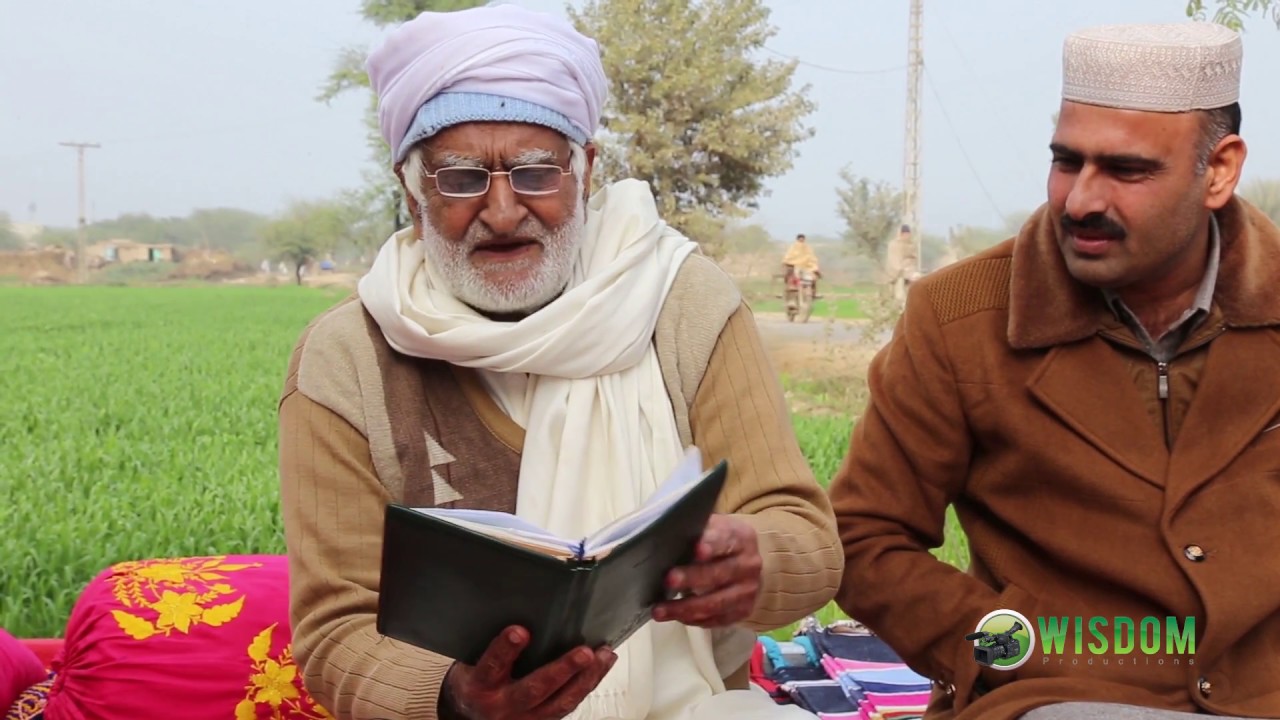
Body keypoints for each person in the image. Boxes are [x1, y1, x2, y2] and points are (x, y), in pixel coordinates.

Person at [277, 5, 843, 720]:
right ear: (412, 194)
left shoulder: (681, 303)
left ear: (586, 171)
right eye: (460, 179)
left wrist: (758, 559)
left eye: (538, 171)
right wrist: (457, 698)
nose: (505, 209)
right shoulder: (347, 360)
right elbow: (336, 631)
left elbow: (806, 538)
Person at [828, 21, 1280, 720]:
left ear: (1218, 170)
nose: (1080, 201)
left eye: (1127, 170)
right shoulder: (959, 318)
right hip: (1054, 699)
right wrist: (1013, 651)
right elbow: (862, 541)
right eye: (1067, 161)